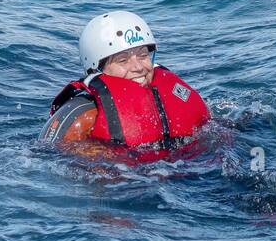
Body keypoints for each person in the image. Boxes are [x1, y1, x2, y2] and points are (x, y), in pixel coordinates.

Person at [41, 11, 210, 159]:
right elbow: (49, 156)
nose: (138, 68)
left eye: (143, 55)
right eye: (123, 60)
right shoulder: (84, 113)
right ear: (97, 69)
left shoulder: (170, 91)